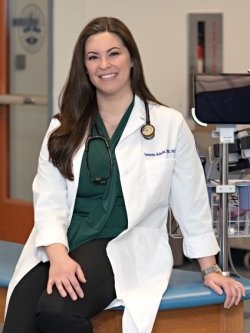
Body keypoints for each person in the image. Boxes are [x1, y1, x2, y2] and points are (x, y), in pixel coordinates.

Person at [3, 16, 246, 333]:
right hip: (61, 243)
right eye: (93, 57)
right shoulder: (64, 126)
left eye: (114, 53)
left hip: (122, 243)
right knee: (19, 322)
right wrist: (58, 256)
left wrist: (210, 268)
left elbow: (191, 200)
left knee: (57, 310)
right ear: (85, 68)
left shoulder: (167, 125)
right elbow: (48, 198)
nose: (104, 64)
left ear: (131, 59)